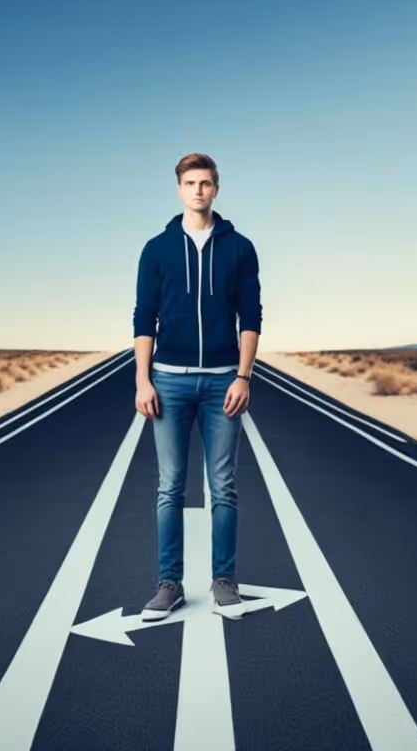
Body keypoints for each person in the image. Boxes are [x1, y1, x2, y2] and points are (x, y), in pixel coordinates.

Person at [132, 152, 262, 621]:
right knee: (170, 487)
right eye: (190, 183)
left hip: (224, 381)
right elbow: (144, 317)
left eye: (206, 183)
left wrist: (244, 375)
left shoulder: (240, 248)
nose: (198, 191)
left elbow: (251, 317)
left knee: (223, 487)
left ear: (217, 189)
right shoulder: (157, 249)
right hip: (168, 381)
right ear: (179, 189)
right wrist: (143, 379)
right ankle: (169, 583)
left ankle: (224, 581)